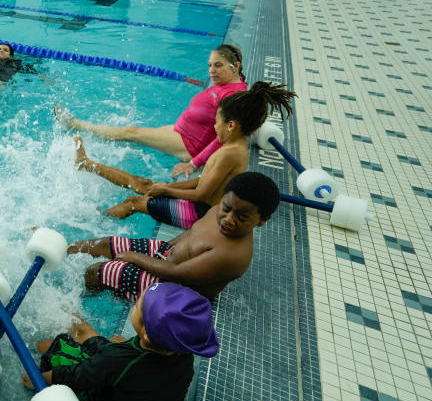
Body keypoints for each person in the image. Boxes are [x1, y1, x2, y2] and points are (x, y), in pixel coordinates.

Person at [72, 82, 296, 228]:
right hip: (202, 205)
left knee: (134, 202)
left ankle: (95, 220)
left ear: (231, 125)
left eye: (216, 122)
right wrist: (162, 186)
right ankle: (86, 163)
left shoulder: (231, 153)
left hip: (200, 215)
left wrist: (167, 189)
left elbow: (201, 194)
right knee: (143, 184)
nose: (214, 128)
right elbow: (204, 181)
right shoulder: (233, 148)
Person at [27, 283, 219, 401]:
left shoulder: (119, 361)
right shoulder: (181, 350)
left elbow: (77, 377)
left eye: (137, 306)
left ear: (145, 333)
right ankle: (78, 326)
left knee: (58, 345)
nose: (135, 305)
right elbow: (133, 367)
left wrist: (40, 379)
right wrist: (122, 350)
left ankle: (35, 343)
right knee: (100, 346)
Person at [68, 172, 279, 301]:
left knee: (97, 271)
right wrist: (159, 250)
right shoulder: (218, 210)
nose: (228, 219)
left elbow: (178, 274)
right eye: (226, 208)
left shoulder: (232, 254)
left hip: (176, 290)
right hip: (167, 257)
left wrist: (135, 258)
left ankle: (85, 296)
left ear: (262, 220)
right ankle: (63, 251)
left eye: (241, 218)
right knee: (102, 244)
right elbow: (191, 234)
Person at [55, 44, 247, 176]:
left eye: (218, 65)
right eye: (210, 65)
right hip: (183, 132)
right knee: (133, 132)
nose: (212, 70)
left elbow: (223, 138)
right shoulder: (233, 86)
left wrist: (193, 163)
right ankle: (78, 125)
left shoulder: (232, 95)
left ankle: (74, 124)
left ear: (235, 66)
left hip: (188, 144)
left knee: (131, 132)